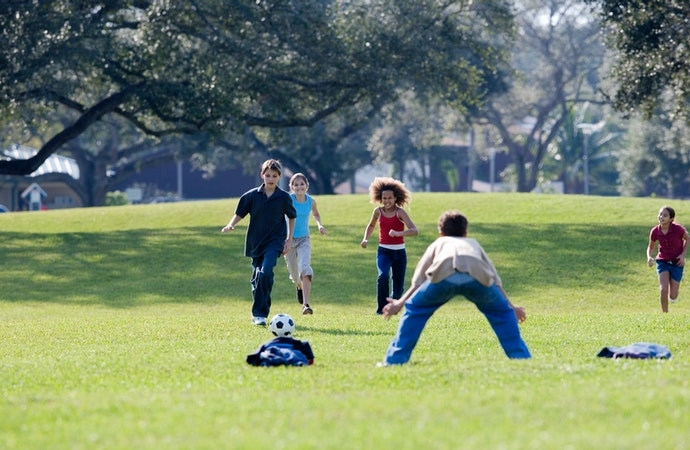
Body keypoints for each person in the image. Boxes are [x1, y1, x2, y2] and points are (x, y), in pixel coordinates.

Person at [379, 210, 531, 365]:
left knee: (415, 310)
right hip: (476, 277)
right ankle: (522, 358)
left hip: (443, 277)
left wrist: (400, 303)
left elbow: (418, 281)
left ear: (440, 233)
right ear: (465, 233)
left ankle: (395, 360)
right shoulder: (473, 243)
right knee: (501, 313)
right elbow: (494, 280)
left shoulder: (439, 243)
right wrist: (511, 307)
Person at [222, 159, 297, 326]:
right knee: (258, 278)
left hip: (275, 242)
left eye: (275, 176)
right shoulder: (251, 196)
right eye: (268, 175)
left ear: (279, 177)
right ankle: (259, 304)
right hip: (255, 243)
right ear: (262, 175)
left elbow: (292, 217)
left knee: (266, 272)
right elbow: (240, 213)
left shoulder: (283, 197)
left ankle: (260, 314)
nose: (271, 179)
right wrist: (230, 225)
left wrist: (289, 240)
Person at [361, 177, 418, 314]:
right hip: (384, 252)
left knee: (398, 287)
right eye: (384, 198)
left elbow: (414, 230)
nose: (387, 201)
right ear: (380, 198)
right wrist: (365, 239)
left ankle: (393, 306)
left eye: (390, 198)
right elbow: (371, 225)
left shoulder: (400, 212)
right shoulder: (377, 212)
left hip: (399, 254)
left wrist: (399, 233)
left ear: (395, 198)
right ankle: (381, 309)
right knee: (383, 277)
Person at [284, 173, 327, 315]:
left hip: (304, 239)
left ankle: (306, 304)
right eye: (295, 184)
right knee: (295, 275)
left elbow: (316, 214)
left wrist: (319, 225)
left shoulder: (311, 201)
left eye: (301, 184)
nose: (299, 187)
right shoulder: (288, 200)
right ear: (291, 187)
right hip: (289, 241)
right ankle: (298, 286)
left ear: (306, 186)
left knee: (305, 268)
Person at [647, 205, 689, 313]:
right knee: (663, 288)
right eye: (660, 214)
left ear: (671, 219)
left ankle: (673, 292)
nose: (661, 217)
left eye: (665, 215)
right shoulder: (655, 231)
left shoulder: (678, 229)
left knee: (673, 296)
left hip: (677, 262)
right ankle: (665, 314)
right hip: (663, 261)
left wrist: (683, 255)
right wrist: (649, 257)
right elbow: (650, 247)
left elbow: (688, 239)